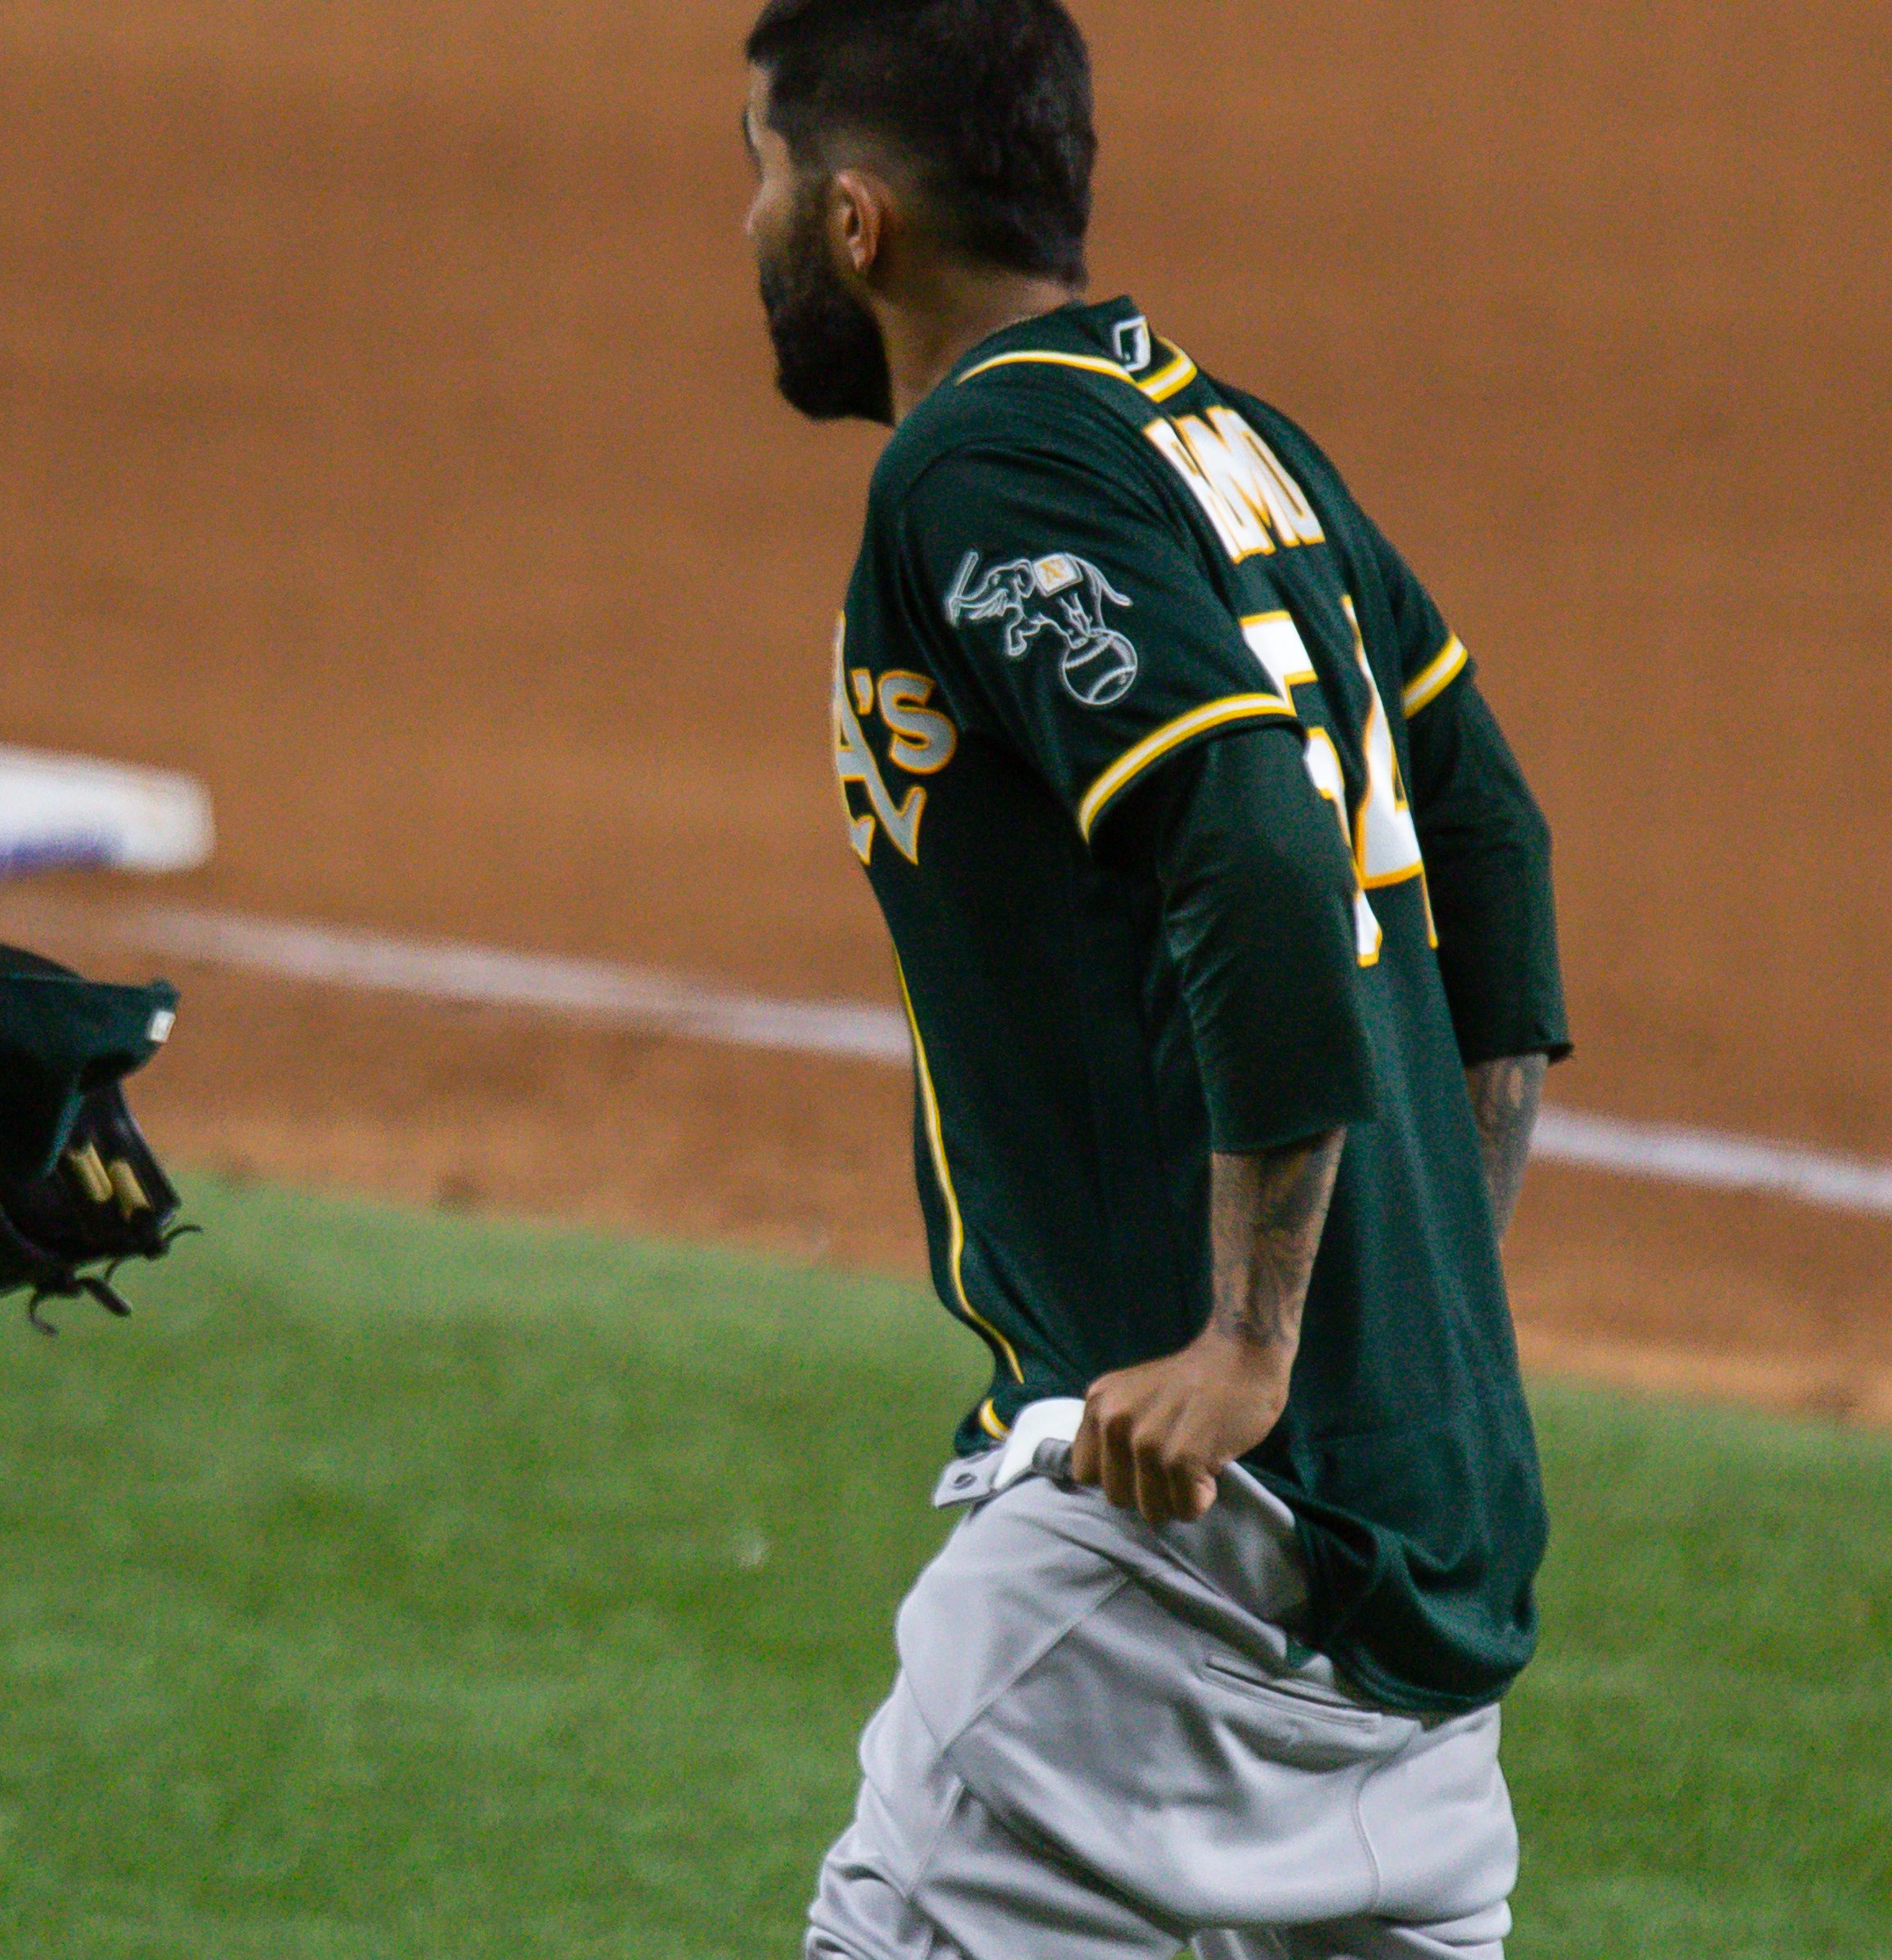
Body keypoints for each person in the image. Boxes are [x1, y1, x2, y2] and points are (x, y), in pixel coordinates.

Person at [738, 2, 1571, 1954]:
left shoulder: (982, 461)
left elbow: (1256, 839)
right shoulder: (1239, 447)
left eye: (760, 167)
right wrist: (1406, 1322)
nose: (755, 218)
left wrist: (1259, 1338)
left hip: (1172, 1574)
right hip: (1421, 1610)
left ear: (855, 221)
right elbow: (1494, 846)